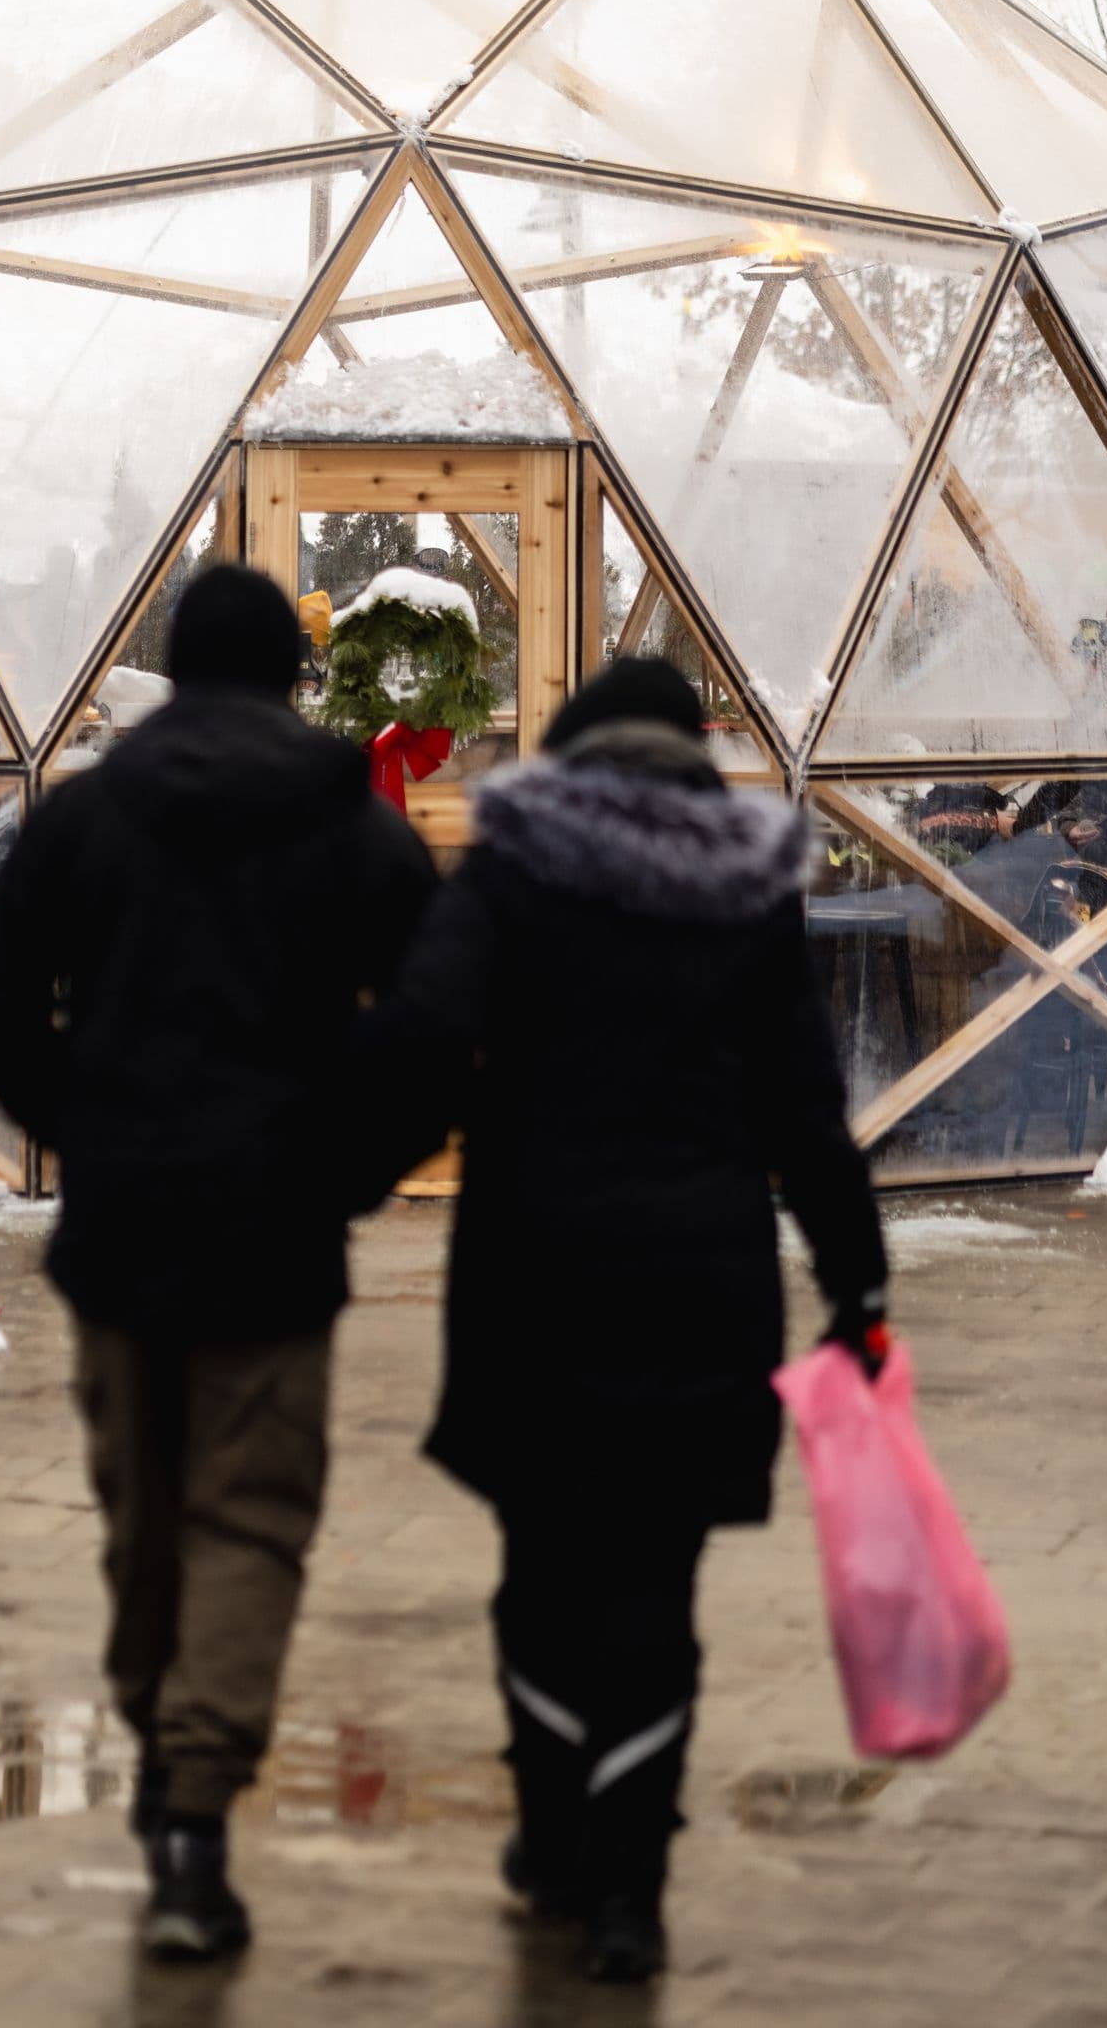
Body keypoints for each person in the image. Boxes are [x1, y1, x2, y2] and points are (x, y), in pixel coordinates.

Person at [372, 656, 888, 1985]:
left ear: (572, 748)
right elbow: (803, 1106)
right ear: (691, 749)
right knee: (655, 1585)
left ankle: (552, 1837)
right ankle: (629, 1896)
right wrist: (859, 1286)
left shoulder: (512, 865)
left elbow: (426, 1033)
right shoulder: (750, 888)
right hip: (699, 1281)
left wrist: (343, 1173)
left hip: (531, 1272)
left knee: (542, 1567)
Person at [0, 565, 435, 1963]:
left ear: (172, 667)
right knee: (251, 1518)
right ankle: (192, 1812)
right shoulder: (354, 827)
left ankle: (168, 1761)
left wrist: (85, 1129)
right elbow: (439, 1023)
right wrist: (347, 1167)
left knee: (144, 1519)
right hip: (276, 1237)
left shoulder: (90, 815)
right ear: (295, 670)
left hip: (122, 1230)